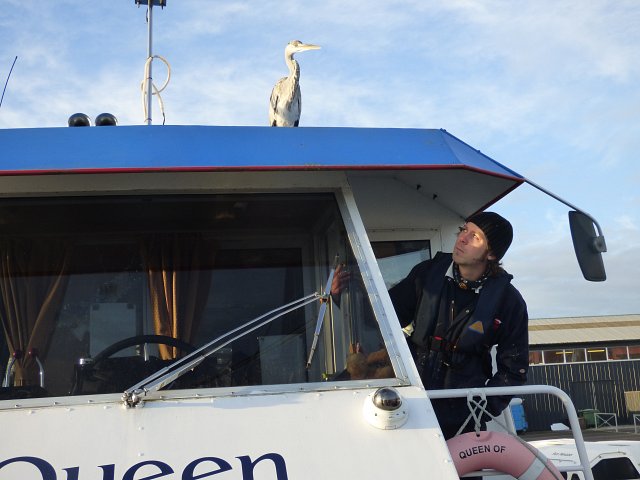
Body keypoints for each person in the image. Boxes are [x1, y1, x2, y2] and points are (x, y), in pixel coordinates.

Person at [332, 211, 529, 440]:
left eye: (475, 236)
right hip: (411, 403)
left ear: (492, 253)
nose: (462, 238)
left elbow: (514, 370)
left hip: (463, 415)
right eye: (463, 230)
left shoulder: (509, 302)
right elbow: (382, 319)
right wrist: (344, 296)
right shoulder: (427, 275)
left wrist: (481, 410)